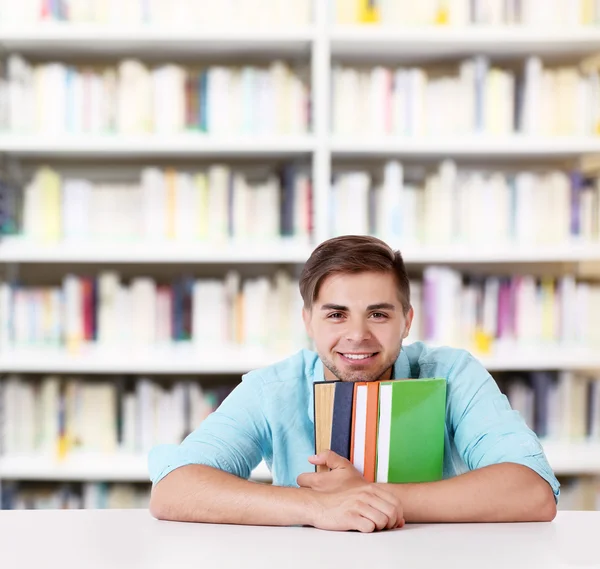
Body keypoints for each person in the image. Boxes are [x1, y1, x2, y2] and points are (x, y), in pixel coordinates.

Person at [148, 235, 559, 532]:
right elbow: (174, 490)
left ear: (407, 321)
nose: (357, 335)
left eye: (378, 314)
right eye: (336, 314)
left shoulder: (452, 374)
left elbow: (532, 490)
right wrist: (317, 506)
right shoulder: (274, 388)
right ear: (308, 321)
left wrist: (366, 496)